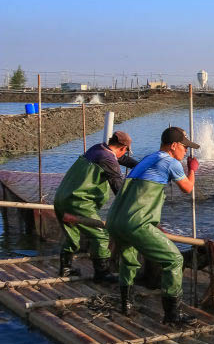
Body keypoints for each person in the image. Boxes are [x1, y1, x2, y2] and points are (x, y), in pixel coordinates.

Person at [106, 126, 200, 325]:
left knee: (129, 259)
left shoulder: (149, 158)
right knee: (174, 260)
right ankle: (172, 315)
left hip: (115, 220)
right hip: (136, 223)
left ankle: (126, 304)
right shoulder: (170, 162)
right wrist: (192, 169)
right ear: (174, 146)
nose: (186, 152)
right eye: (184, 147)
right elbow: (187, 188)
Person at [53, 131, 139, 282]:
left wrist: (139, 166)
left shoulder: (97, 149)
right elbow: (118, 188)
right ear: (123, 147)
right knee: (101, 234)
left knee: (72, 234)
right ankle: (102, 273)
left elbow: (121, 158)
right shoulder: (109, 160)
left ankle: (65, 268)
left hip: (62, 198)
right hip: (79, 203)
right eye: (125, 150)